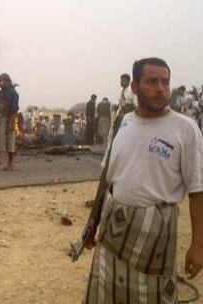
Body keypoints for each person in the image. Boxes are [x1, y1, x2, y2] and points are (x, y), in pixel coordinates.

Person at [84, 58, 203, 303]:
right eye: (152, 82)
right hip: (111, 234)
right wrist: (92, 225)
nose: (161, 88)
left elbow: (198, 191)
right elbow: (107, 179)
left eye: (165, 82)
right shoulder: (122, 123)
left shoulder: (185, 129)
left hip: (155, 240)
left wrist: (198, 245)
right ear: (135, 87)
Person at [0, 73, 19, 170]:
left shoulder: (13, 93)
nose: (0, 83)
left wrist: (11, 123)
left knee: (10, 141)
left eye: (2, 81)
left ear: (7, 81)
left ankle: (10, 164)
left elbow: (14, 110)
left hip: (8, 118)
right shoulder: (1, 93)